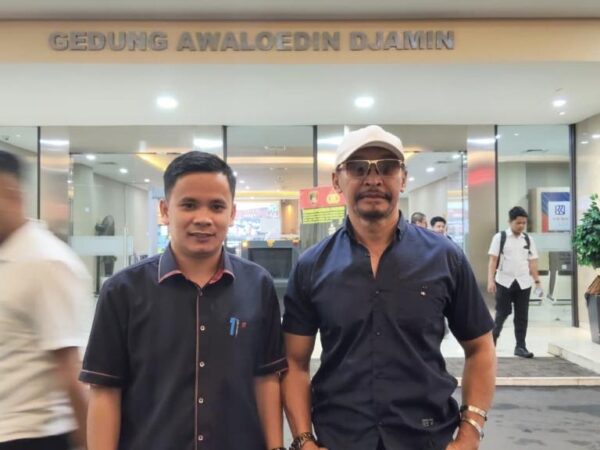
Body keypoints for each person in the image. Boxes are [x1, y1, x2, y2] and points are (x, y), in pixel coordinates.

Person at [282, 126, 496, 450]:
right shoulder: (312, 265)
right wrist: (304, 441)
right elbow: (295, 363)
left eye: (387, 167)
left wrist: (470, 433)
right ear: (337, 181)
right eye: (358, 168)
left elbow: (480, 348)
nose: (373, 179)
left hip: (426, 436)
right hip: (341, 437)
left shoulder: (445, 257)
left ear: (403, 178)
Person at [80, 151, 287, 450]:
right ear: (165, 210)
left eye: (217, 206)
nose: (203, 219)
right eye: (189, 205)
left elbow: (266, 379)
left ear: (232, 214)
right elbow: (105, 391)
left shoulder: (258, 285)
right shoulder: (122, 291)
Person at [0, 150, 90, 450]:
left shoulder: (46, 262)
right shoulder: (9, 256)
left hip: (33, 435)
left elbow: (70, 369)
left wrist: (89, 444)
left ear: (11, 193)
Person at [487, 206, 541, 358]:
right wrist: (490, 280)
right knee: (502, 312)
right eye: (518, 223)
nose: (521, 226)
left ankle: (520, 346)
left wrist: (537, 281)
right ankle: (491, 341)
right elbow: (493, 260)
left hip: (524, 282)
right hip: (504, 281)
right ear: (510, 222)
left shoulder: (528, 239)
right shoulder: (500, 237)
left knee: (522, 316)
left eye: (524, 223)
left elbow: (533, 262)